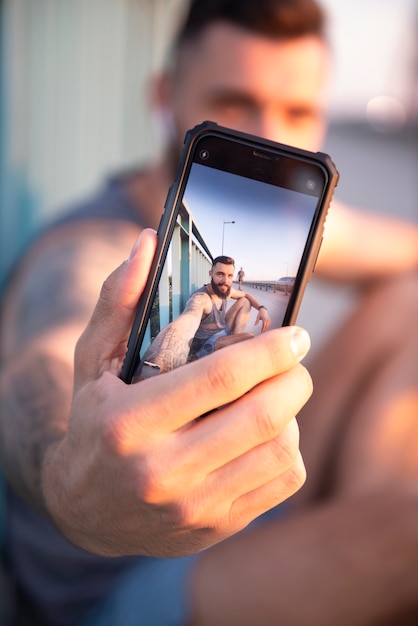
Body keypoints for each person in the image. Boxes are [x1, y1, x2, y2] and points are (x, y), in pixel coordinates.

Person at [1, 0, 418, 625]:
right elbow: (41, 358)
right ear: (167, 96)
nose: (268, 133)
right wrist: (66, 477)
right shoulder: (90, 244)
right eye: (232, 102)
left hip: (239, 505)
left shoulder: (282, 225)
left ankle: (357, 528)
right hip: (124, 577)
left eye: (297, 111)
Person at [137, 255, 270, 378]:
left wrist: (261, 308)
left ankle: (230, 350)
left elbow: (245, 294)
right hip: (206, 345)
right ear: (210, 274)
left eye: (230, 276)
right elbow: (187, 319)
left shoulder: (225, 290)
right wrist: (156, 364)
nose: (225, 281)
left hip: (222, 332)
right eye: (220, 274)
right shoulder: (201, 298)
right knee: (250, 338)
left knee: (245, 302)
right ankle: (225, 353)